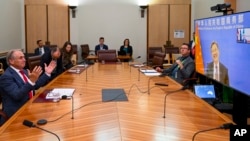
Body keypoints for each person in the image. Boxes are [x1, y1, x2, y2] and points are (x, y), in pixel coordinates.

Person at [0, 49, 56, 125]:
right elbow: (17, 95)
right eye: (21, 58)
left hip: (30, 106)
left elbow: (34, 86)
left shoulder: (24, 71)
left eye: (24, 57)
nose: (24, 60)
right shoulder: (6, 77)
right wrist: (31, 81)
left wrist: (47, 74)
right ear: (11, 61)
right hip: (16, 114)